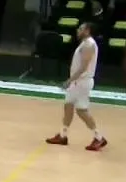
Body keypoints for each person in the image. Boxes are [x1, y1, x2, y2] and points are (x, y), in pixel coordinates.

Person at [46, 22, 108, 151]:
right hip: (77, 82)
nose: (78, 30)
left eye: (81, 28)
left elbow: (84, 67)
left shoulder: (89, 45)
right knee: (68, 105)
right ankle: (63, 135)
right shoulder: (85, 43)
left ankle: (99, 137)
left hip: (82, 82)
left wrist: (69, 80)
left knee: (81, 110)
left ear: (87, 31)